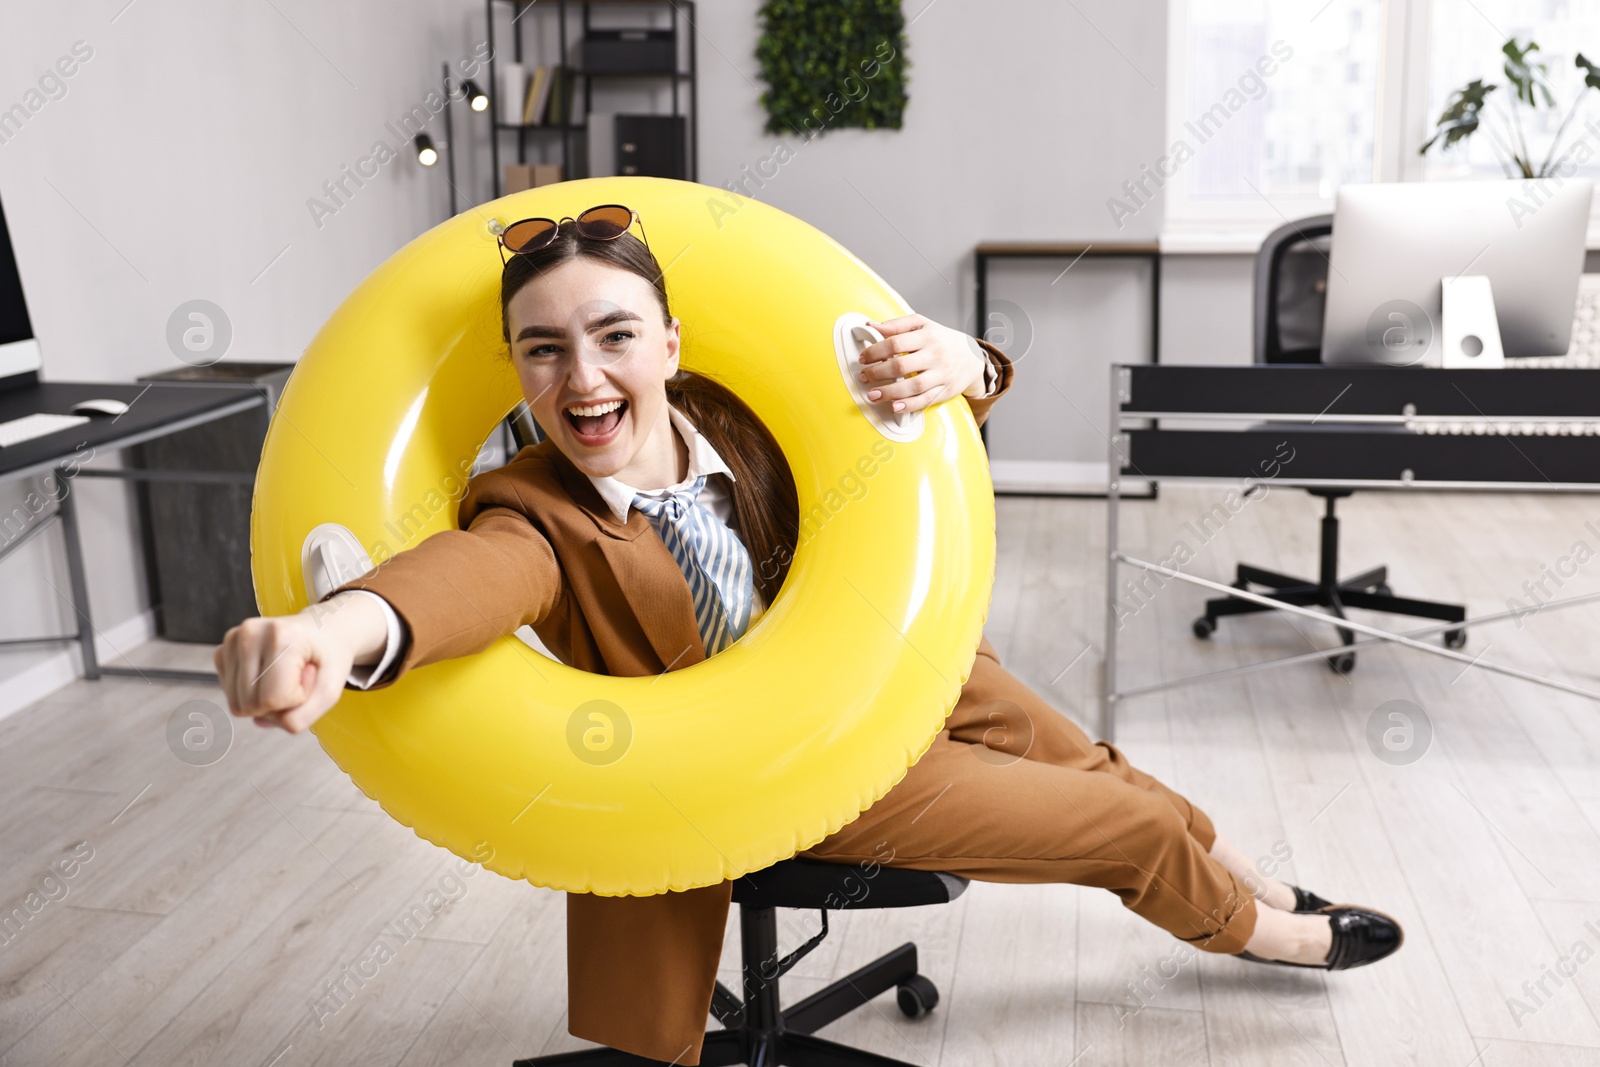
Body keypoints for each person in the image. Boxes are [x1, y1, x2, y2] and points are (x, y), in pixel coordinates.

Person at [214, 205, 1403, 1065]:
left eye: (615, 335)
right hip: (800, 771)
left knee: (1093, 759)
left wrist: (967, 357)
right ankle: (1267, 929)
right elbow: (460, 577)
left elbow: (919, 412)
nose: (584, 376)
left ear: (671, 346)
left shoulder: (753, 410)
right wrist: (340, 626)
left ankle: (1239, 865)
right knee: (1128, 822)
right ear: (517, 372)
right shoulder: (535, 511)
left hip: (907, 675)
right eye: (545, 348)